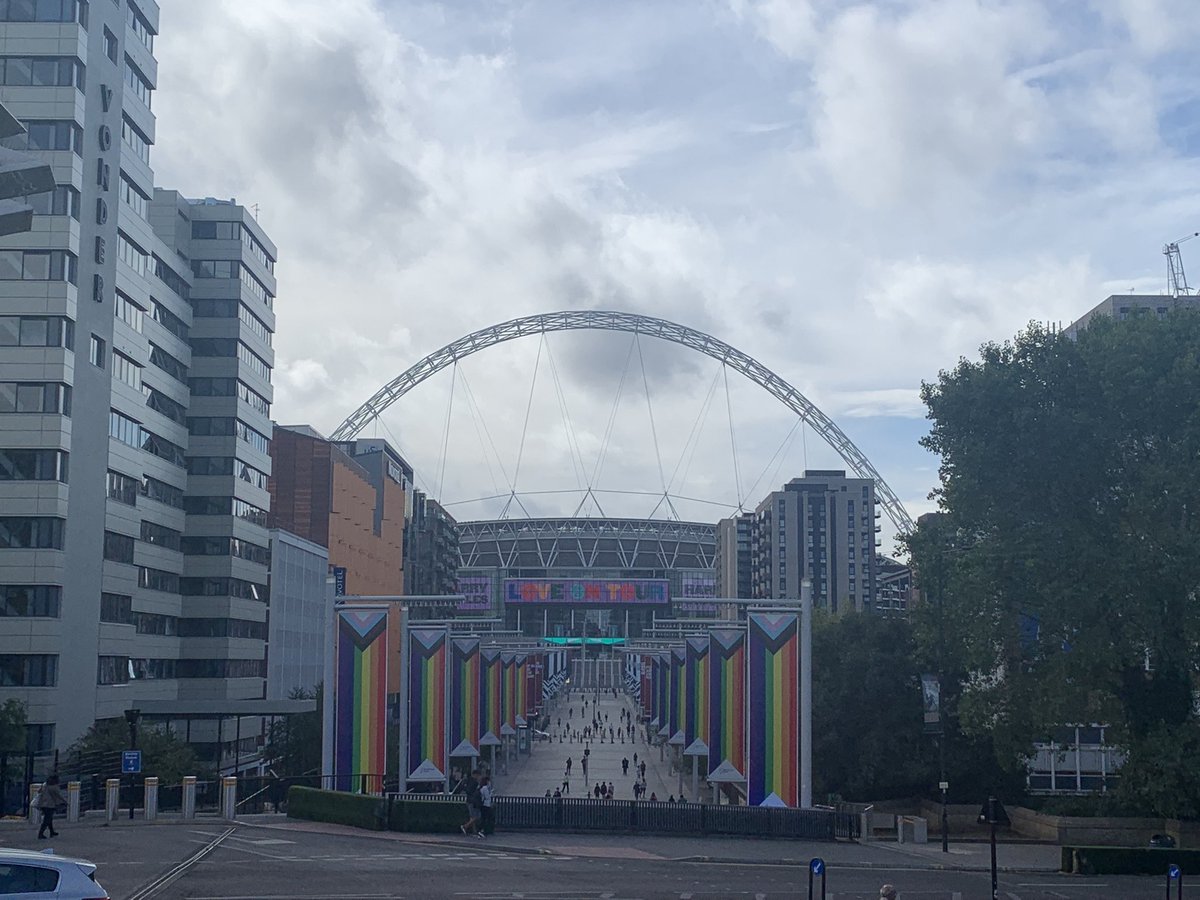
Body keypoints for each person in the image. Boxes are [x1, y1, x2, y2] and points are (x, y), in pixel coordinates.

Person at [34, 775, 64, 839]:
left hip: (43, 804)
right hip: (50, 804)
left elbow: (39, 791)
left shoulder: (44, 785)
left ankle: (52, 832)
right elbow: (58, 795)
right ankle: (40, 834)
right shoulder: (54, 787)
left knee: (49, 818)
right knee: (47, 819)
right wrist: (65, 801)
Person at [460, 769, 482, 836]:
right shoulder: (474, 782)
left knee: (472, 817)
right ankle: (465, 826)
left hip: (469, 800)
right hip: (473, 801)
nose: (479, 777)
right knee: (476, 816)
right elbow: (470, 790)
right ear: (475, 775)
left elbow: (464, 788)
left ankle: (474, 831)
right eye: (478, 775)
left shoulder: (468, 780)